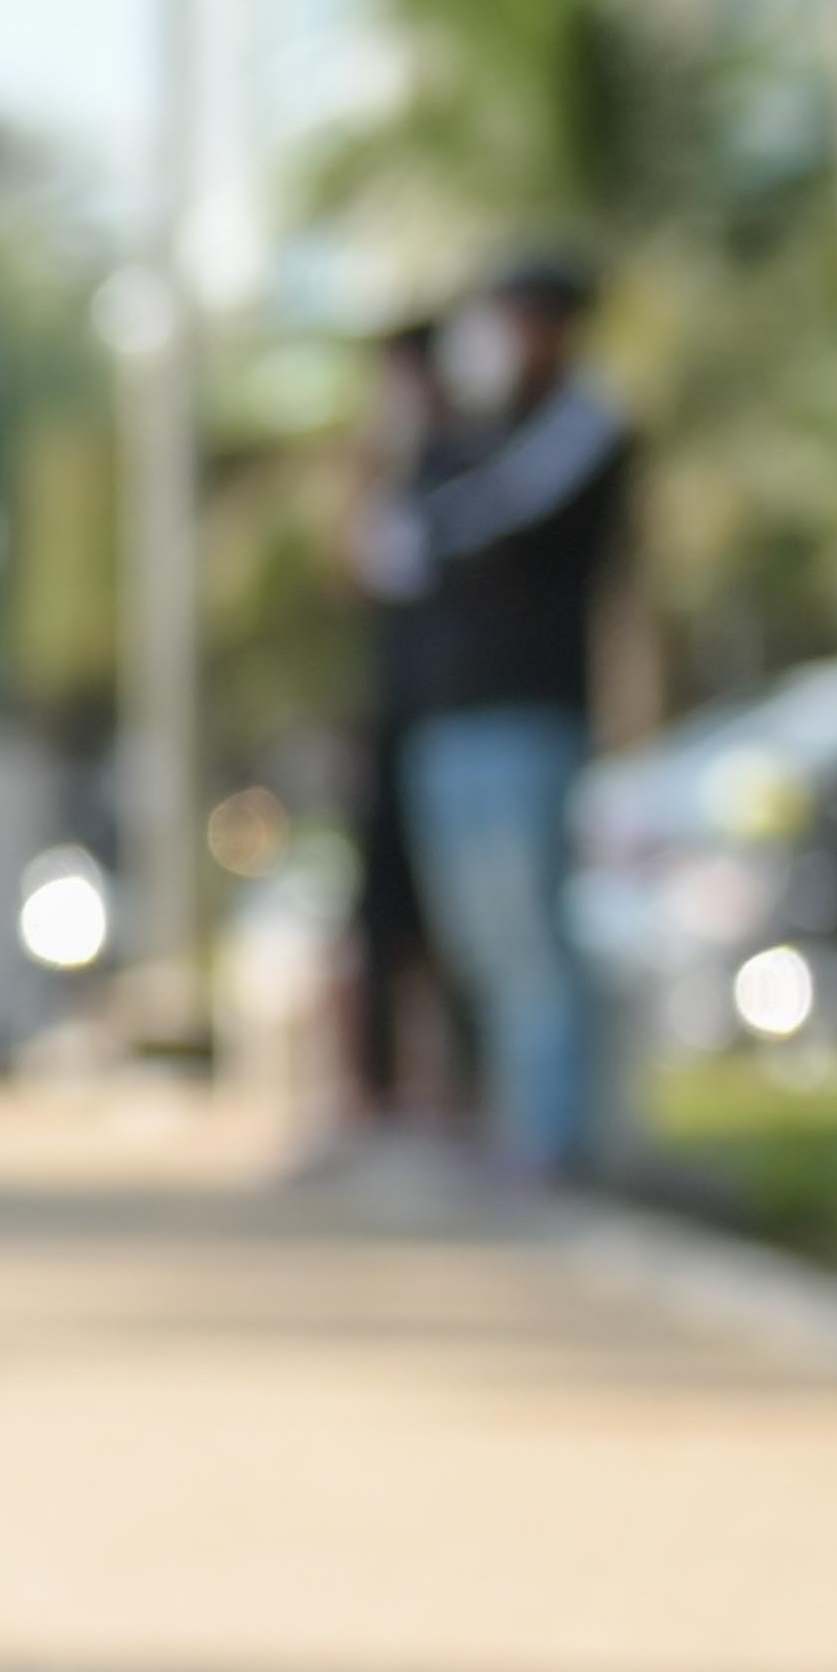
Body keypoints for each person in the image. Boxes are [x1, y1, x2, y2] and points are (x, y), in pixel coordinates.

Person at [392, 250, 628, 1185]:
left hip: (533, 712)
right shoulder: (463, 435)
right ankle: (513, 1126)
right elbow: (402, 547)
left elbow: (487, 521)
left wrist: (448, 468)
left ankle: (555, 1138)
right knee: (482, 941)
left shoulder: (584, 425)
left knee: (534, 937)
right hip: (452, 714)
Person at [335, 317, 471, 1145]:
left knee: (461, 919)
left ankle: (455, 1096)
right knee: (379, 912)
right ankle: (377, 1096)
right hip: (398, 717)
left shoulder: (471, 465)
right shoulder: (392, 471)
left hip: (456, 716)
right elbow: (354, 569)